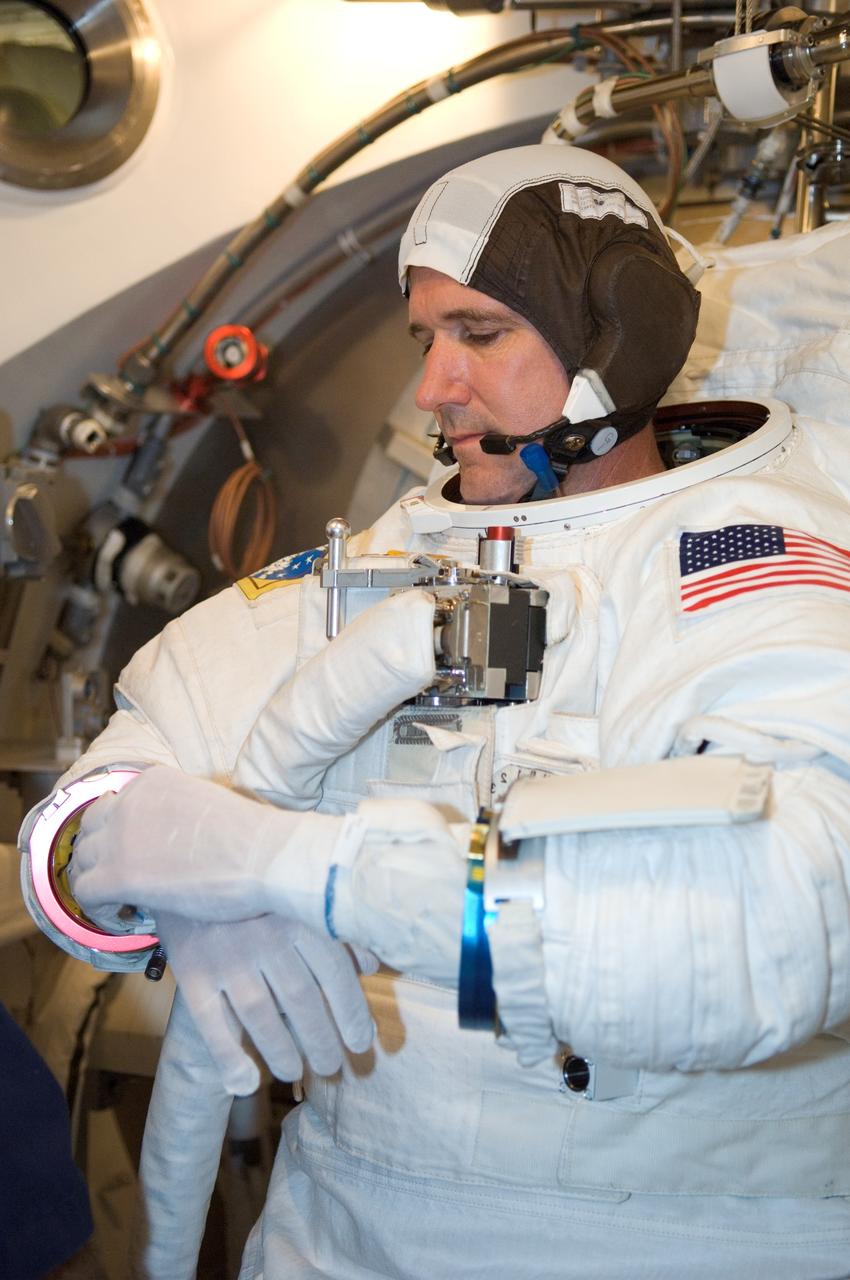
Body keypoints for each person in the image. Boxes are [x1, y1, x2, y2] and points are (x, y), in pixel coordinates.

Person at [20, 145, 850, 1279]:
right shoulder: (369, 570)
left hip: (688, 1230)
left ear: (618, 332)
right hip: (347, 1226)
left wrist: (303, 868)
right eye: (424, 338)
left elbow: (766, 929)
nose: (432, 388)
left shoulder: (762, 560)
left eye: (480, 333)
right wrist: (154, 873)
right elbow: (69, 845)